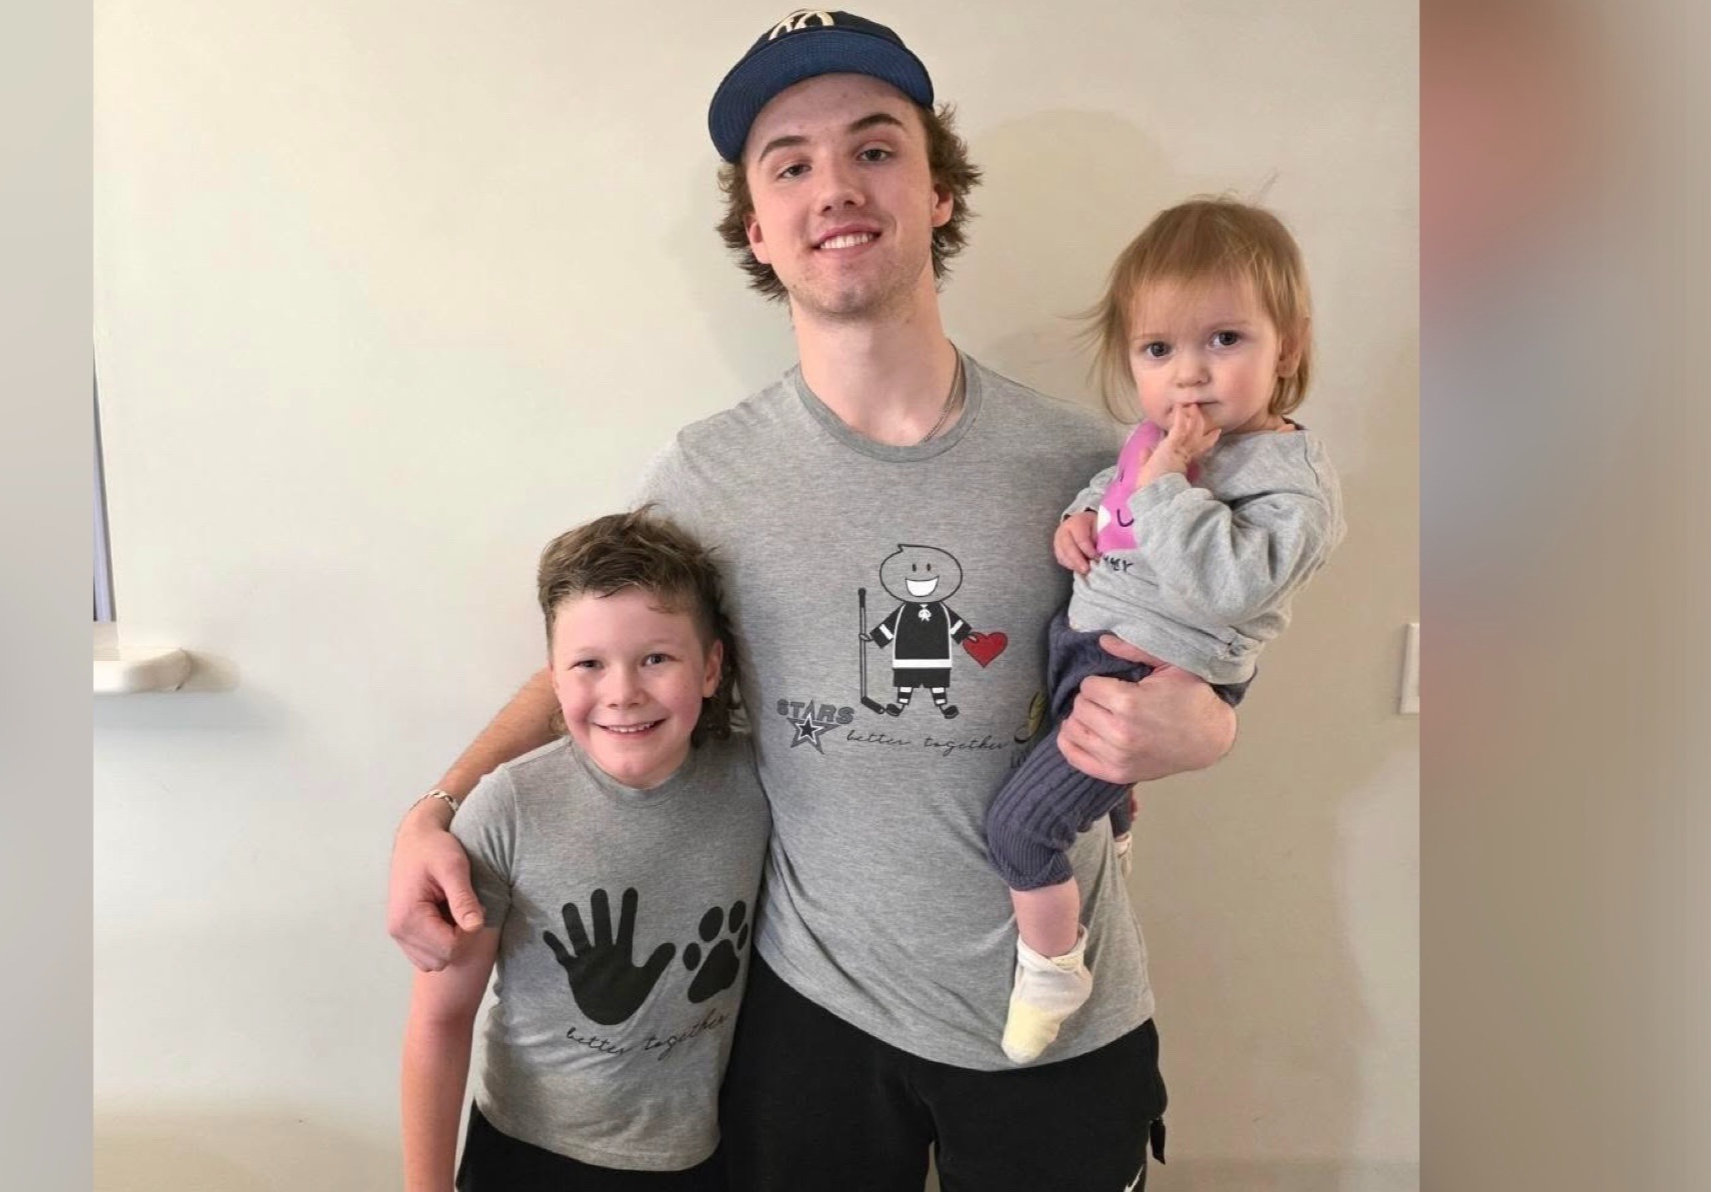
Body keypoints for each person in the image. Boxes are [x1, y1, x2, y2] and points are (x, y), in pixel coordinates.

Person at [389, 12, 1238, 1190]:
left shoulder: (1086, 464)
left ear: (940, 190)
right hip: (813, 1022)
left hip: (1062, 1007)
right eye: (789, 162)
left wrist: (1217, 725)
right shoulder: (709, 474)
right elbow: (600, 662)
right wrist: (437, 807)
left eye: (876, 147)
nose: (834, 184)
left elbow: (1205, 632)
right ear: (757, 228)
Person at [986, 198, 1346, 1064]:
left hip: (1155, 677)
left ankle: (1053, 968)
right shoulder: (1153, 442)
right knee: (1076, 789)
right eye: (1159, 350)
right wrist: (1081, 520)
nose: (1188, 376)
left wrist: (1165, 483)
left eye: (1224, 340)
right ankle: (1119, 818)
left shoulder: (1293, 489)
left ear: (1287, 346)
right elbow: (1114, 500)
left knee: (1018, 830)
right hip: (1089, 652)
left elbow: (1226, 584)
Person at [398, 510, 768, 1192]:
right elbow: (440, 1018)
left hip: (699, 1153)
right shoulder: (508, 808)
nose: (623, 692)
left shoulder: (755, 783)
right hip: (527, 1154)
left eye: (656, 658)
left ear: (712, 667)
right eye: (589, 664)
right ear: (555, 679)